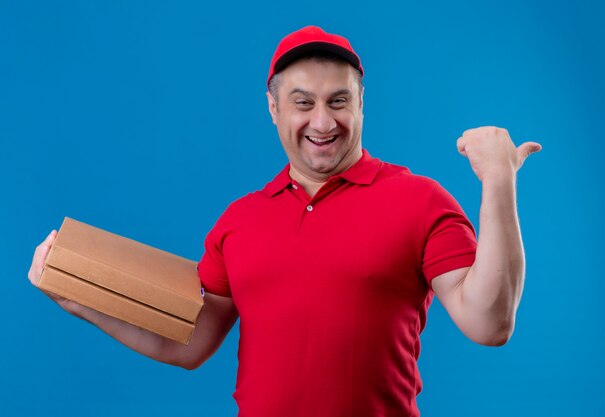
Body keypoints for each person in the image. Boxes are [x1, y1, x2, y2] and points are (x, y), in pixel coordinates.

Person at [28, 26, 541, 417]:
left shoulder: (419, 201)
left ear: (361, 104)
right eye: (303, 103)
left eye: (339, 101)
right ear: (273, 108)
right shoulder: (240, 221)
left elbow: (489, 322)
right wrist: (78, 298)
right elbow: (188, 342)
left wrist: (498, 181)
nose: (323, 121)